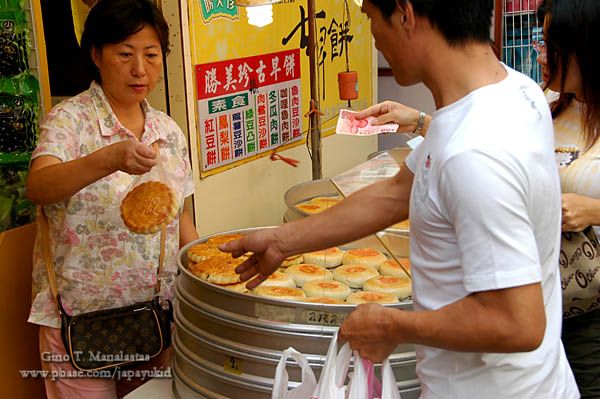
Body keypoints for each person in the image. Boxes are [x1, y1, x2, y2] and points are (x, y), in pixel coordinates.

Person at [221, 0, 579, 397]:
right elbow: (396, 193)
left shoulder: (473, 151)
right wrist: (282, 240)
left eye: (372, 19)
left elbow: (518, 323)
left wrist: (393, 326)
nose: (374, 36)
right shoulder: (514, 90)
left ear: (406, 15)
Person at [26, 0, 198, 397]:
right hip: (78, 322)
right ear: (96, 55)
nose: (140, 69)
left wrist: (209, 271)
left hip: (155, 319)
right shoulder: (68, 120)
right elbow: (39, 186)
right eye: (125, 54)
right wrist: (107, 158)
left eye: (151, 55)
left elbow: (181, 222)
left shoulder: (168, 131)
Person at [535, 1, 600, 397]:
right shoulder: (548, 104)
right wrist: (421, 121)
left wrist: (592, 210)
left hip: (590, 310)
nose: (541, 55)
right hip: (538, 299)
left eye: (550, 44)